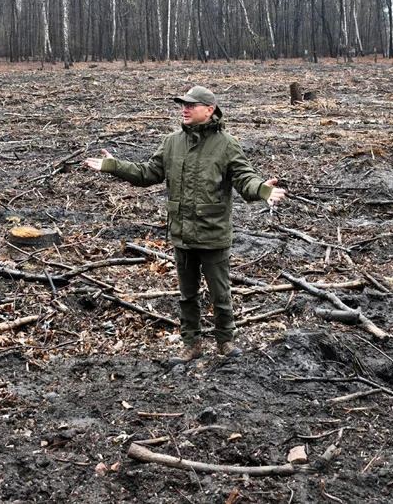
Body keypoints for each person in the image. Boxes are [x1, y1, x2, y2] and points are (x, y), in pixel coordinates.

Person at [84, 85, 286, 362]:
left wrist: (262, 190)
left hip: (213, 233)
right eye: (183, 104)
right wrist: (114, 165)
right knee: (187, 295)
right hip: (181, 234)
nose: (185, 109)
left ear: (210, 110)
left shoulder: (227, 144)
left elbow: (244, 178)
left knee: (220, 293)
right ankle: (191, 344)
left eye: (191, 105)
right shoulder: (172, 142)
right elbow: (148, 173)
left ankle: (225, 341)